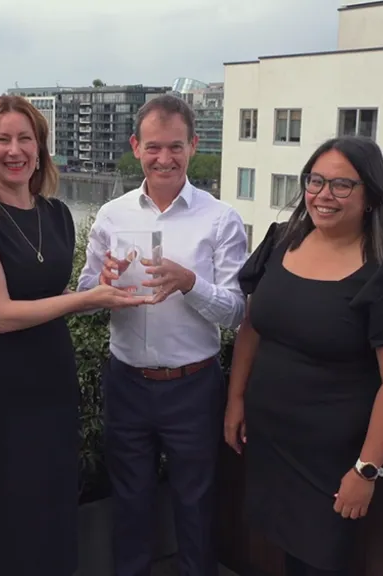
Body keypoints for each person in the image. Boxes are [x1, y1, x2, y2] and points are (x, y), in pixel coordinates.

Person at [0, 95, 148, 576]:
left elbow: (47, 291)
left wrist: (100, 285)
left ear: (40, 148)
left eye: (25, 138)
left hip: (51, 377)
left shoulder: (56, 213)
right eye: (2, 139)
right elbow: (0, 314)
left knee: (51, 501)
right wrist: (86, 300)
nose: (14, 150)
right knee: (4, 507)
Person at [224, 136, 383, 576]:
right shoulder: (281, 242)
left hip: (332, 461)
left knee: (319, 562)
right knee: (285, 556)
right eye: (315, 180)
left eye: (342, 185)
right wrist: (236, 399)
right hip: (271, 442)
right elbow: (252, 327)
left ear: (371, 197)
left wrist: (366, 470)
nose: (323, 194)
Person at [78, 94, 249, 576]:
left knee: (196, 505)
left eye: (176, 147)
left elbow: (238, 312)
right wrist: (105, 284)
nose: (164, 158)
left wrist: (190, 284)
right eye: (154, 147)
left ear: (193, 146)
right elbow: (86, 292)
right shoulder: (112, 216)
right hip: (126, 380)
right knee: (129, 503)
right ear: (136, 147)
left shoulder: (220, 219)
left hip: (193, 384)